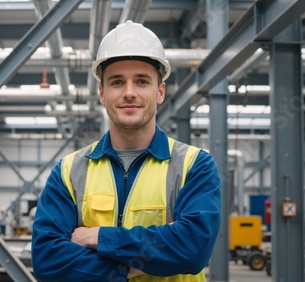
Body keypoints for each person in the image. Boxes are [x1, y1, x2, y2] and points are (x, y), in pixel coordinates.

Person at [31, 20, 221, 281]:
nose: (129, 93)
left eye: (142, 81)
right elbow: (47, 261)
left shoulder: (194, 165)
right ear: (102, 92)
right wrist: (127, 267)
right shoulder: (68, 171)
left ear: (160, 91)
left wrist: (99, 237)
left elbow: (193, 248)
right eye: (117, 82)